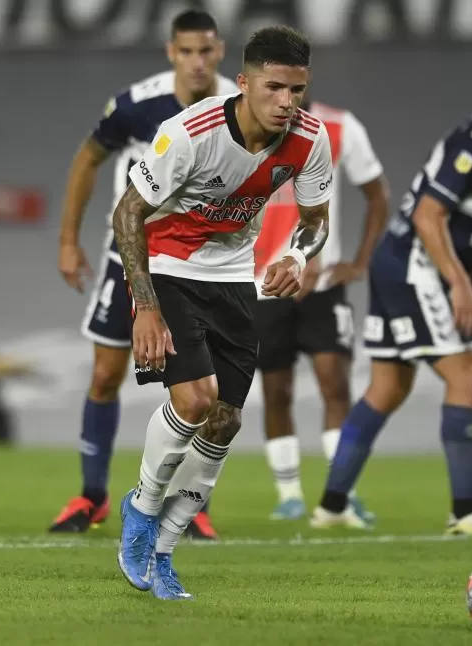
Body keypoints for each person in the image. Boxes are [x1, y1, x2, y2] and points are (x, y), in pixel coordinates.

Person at [114, 25, 333, 600]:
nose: (287, 102)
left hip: (234, 275)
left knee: (225, 420)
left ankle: (164, 551)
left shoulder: (310, 139)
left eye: (298, 90)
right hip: (167, 264)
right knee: (194, 398)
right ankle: (140, 508)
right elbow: (127, 213)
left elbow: (316, 220)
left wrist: (296, 255)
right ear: (243, 83)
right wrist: (144, 306)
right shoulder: (190, 134)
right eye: (275, 87)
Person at [310, 51, 472, 536]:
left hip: (399, 262)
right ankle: (466, 513)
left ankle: (332, 505)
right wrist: (460, 283)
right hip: (412, 264)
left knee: (388, 388)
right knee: (469, 375)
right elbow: (429, 214)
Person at [49, 9, 238, 539]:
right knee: (106, 374)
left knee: (205, 389)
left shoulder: (236, 109)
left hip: (197, 263)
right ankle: (91, 496)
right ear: (170, 52)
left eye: (206, 51)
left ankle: (188, 502)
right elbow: (87, 160)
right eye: (187, 52)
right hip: (129, 257)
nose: (197, 62)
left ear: (220, 51)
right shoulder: (135, 106)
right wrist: (68, 241)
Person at [251, 95, 389, 522]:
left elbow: (377, 194)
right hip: (262, 286)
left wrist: (361, 260)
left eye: (296, 77)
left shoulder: (339, 126)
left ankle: (339, 495)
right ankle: (289, 494)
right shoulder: (242, 124)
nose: (287, 91)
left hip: (323, 284)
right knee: (276, 392)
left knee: (335, 384)